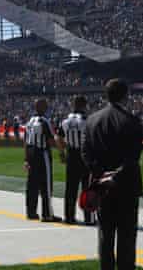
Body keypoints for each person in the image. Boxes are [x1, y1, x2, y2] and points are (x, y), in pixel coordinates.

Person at [81, 78, 143, 270]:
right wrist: (115, 176)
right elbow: (133, 157)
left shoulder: (92, 120)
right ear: (125, 95)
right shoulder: (131, 120)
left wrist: (100, 174)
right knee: (126, 237)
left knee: (105, 236)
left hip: (101, 187)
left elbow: (85, 153)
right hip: (125, 186)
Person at [24, 99, 65, 222]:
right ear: (41, 107)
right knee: (46, 185)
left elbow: (25, 142)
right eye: (45, 105)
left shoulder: (29, 122)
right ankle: (47, 214)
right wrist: (61, 152)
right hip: (42, 154)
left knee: (32, 184)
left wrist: (26, 159)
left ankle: (31, 212)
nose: (47, 107)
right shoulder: (44, 121)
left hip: (31, 154)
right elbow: (51, 140)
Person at [59, 96, 94, 225]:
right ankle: (89, 217)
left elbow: (59, 137)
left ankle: (69, 217)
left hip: (71, 154)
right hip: (84, 155)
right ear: (84, 105)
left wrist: (62, 153)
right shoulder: (87, 120)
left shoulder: (65, 121)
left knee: (70, 188)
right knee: (87, 187)